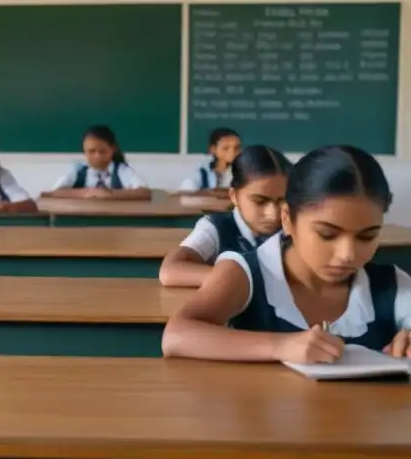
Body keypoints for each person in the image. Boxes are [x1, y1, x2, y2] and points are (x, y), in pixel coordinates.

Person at [162, 145, 411, 363]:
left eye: (366, 237)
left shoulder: (390, 283)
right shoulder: (246, 272)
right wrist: (280, 346)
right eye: (327, 234)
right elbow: (176, 335)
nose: (348, 255)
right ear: (287, 219)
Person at [160, 145, 291, 288]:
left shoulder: (294, 226)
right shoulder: (216, 227)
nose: (272, 213)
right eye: (259, 201)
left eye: (282, 201)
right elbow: (170, 271)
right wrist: (245, 279)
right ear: (234, 196)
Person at [45, 125, 151, 200]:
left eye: (103, 151)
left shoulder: (121, 170)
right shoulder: (78, 171)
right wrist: (85, 193)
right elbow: (55, 192)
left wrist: (109, 194)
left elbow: (145, 192)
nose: (97, 156)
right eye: (91, 151)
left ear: (112, 150)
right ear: (84, 151)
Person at [178, 127, 242, 195]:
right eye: (225, 148)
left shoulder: (245, 173)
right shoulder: (201, 173)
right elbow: (184, 197)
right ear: (213, 149)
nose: (232, 153)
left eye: (237, 148)